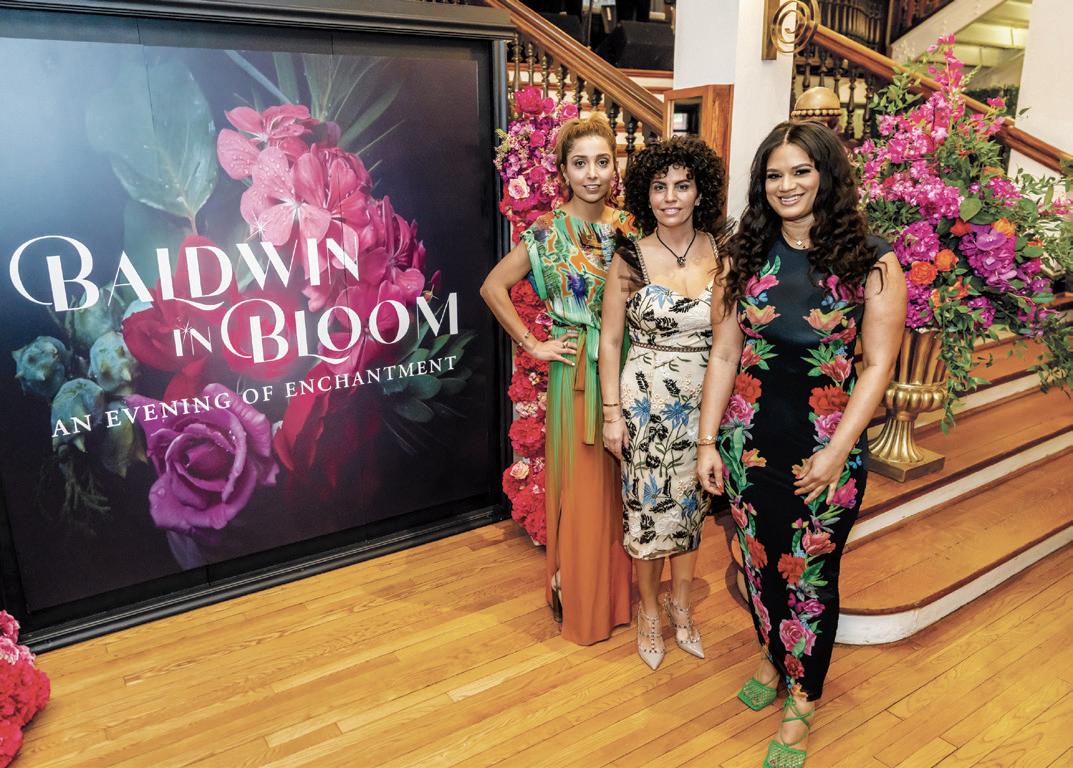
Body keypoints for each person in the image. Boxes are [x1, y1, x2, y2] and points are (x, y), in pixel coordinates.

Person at [695, 121, 906, 767]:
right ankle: (772, 653)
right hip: (748, 444)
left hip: (825, 450)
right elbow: (724, 353)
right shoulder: (742, 255)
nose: (786, 185)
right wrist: (707, 442)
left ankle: (803, 701)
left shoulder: (870, 261)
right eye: (774, 174)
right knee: (757, 562)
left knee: (810, 576)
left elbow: (877, 366)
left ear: (825, 175)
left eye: (800, 171)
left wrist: (838, 451)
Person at [480, 112, 635, 645]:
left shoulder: (631, 227)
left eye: (601, 161)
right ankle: (581, 600)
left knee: (619, 490)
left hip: (628, 367)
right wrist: (533, 343)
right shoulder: (545, 232)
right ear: (564, 171)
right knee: (584, 488)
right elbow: (493, 287)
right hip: (575, 372)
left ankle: (614, 596)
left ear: (614, 167)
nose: (592, 173)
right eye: (580, 163)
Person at [599, 136, 728, 669]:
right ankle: (650, 611)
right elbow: (610, 341)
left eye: (682, 185)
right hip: (646, 407)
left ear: (700, 191)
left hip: (705, 405)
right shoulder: (629, 257)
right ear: (644, 194)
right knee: (647, 511)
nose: (670, 197)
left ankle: (682, 607)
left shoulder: (724, 252)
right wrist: (611, 415)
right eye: (659, 186)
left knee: (692, 510)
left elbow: (730, 341)